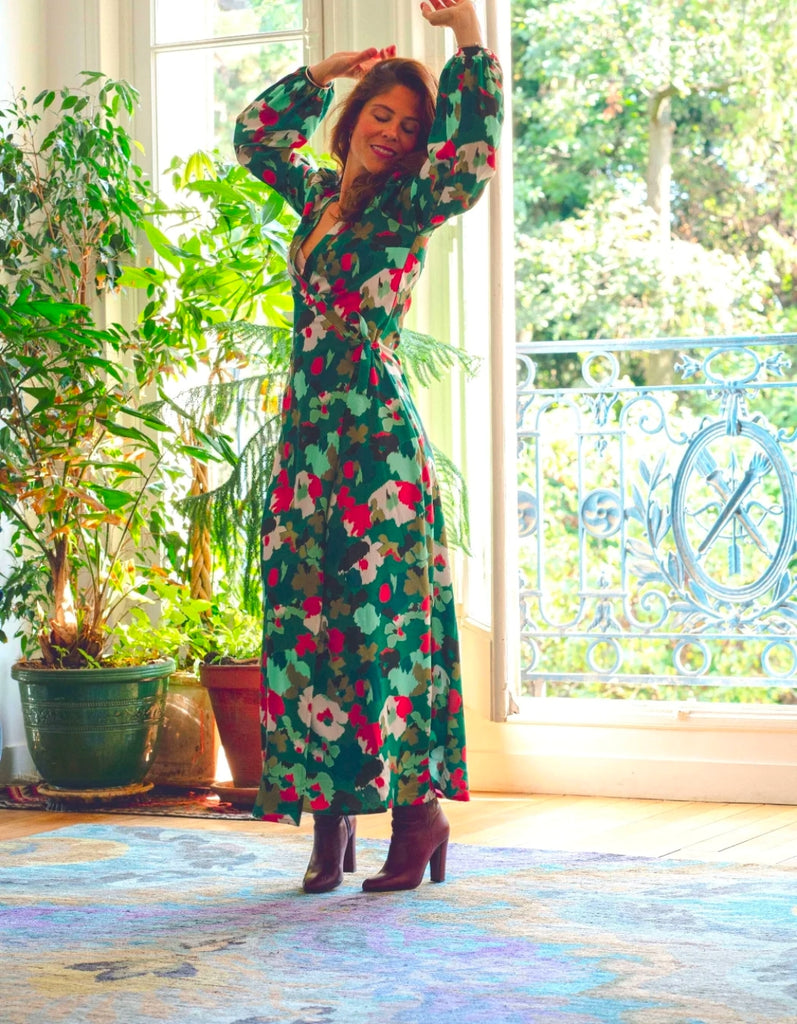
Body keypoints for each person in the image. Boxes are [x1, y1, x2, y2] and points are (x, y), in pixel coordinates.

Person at [234, 0, 503, 893]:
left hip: (375, 446)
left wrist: (467, 38)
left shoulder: (408, 204)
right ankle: (329, 821)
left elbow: (471, 163)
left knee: (382, 632)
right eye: (380, 116)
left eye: (409, 126)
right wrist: (323, 73)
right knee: (308, 628)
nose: (392, 133)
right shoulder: (317, 197)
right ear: (352, 121)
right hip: (308, 442)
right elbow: (254, 138)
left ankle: (418, 817)